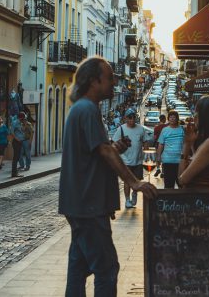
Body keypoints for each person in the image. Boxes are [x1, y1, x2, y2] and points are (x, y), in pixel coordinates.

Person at [59, 56, 157, 296]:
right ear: (94, 81)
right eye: (110, 77)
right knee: (106, 269)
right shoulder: (88, 109)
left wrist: (115, 149)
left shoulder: (81, 109)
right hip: (88, 205)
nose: (114, 82)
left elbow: (97, 152)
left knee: (79, 267)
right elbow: (102, 150)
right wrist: (134, 181)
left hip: (80, 204)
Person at [178, 96, 209, 188]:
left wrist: (186, 145)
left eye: (196, 112)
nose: (194, 116)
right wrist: (191, 143)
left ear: (206, 116)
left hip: (201, 200)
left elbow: (182, 179)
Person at [112, 108, 152, 209]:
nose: (132, 119)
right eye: (130, 117)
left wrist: (146, 151)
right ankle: (127, 200)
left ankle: (134, 195)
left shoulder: (141, 129)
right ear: (126, 118)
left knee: (137, 180)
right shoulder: (121, 129)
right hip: (125, 160)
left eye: (134, 117)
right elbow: (114, 143)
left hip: (138, 160)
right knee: (127, 181)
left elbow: (145, 140)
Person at [156, 110, 184, 188]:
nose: (172, 119)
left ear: (177, 119)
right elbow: (161, 144)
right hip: (167, 160)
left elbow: (185, 143)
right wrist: (158, 157)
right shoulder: (165, 130)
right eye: (170, 117)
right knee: (168, 185)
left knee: (181, 184)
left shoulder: (182, 129)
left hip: (180, 161)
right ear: (168, 119)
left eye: (174, 117)